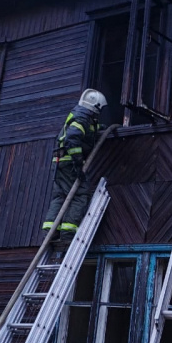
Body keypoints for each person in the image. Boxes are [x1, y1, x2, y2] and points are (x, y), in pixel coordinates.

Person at [42, 88, 108, 245]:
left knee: (60, 195)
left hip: (60, 162)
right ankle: (68, 233)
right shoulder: (81, 118)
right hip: (69, 163)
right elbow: (72, 138)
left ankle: (51, 232)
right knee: (80, 194)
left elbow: (87, 132)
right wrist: (78, 162)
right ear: (96, 106)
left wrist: (101, 128)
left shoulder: (82, 116)